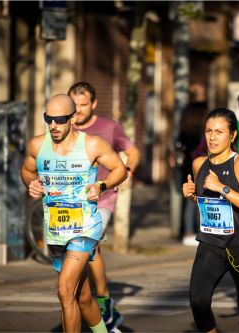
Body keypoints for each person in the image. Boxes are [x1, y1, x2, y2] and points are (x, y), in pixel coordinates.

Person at [20, 94, 127, 332]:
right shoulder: (38, 145)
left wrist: (102, 185)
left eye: (59, 119)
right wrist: (32, 183)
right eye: (48, 118)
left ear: (73, 118)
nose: (53, 125)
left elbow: (120, 169)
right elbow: (27, 171)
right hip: (56, 230)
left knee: (64, 289)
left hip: (85, 228)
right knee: (82, 297)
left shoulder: (92, 145)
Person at [181, 108, 239, 332]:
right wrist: (191, 196)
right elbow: (205, 202)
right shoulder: (199, 164)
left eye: (219, 132)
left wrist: (222, 187)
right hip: (211, 243)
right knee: (198, 302)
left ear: (232, 135)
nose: (212, 137)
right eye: (208, 131)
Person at [68, 81, 140, 330]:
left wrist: (127, 171)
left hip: (103, 197)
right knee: (84, 252)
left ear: (94, 104)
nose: (77, 109)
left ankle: (102, 300)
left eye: (83, 104)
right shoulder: (64, 128)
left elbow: (133, 152)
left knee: (90, 242)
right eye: (73, 104)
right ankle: (91, 301)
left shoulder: (109, 127)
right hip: (71, 201)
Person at [178, 83, 208, 246]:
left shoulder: (186, 112)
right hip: (199, 158)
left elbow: (180, 137)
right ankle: (192, 231)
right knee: (197, 194)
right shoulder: (205, 112)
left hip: (189, 158)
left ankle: (187, 231)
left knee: (189, 195)